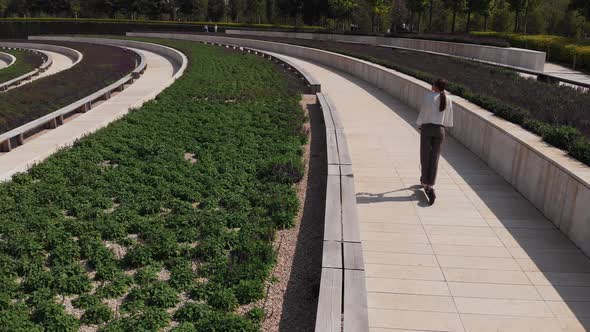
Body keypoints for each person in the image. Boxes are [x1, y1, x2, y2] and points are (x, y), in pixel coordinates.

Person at [416, 79, 454, 205]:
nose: (431, 86)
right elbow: (448, 120)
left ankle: (425, 182)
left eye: (433, 84)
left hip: (427, 128)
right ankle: (430, 184)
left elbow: (423, 113)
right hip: (440, 130)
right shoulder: (448, 99)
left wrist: (419, 124)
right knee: (434, 158)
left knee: (425, 156)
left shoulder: (428, 97)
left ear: (436, 86)